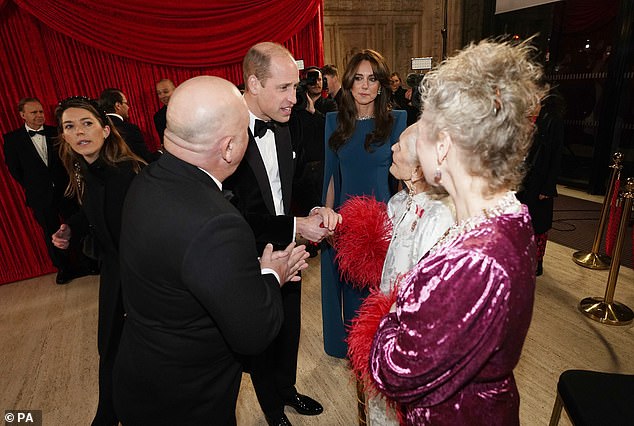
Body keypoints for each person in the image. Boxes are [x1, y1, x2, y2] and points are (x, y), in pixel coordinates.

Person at [367, 39, 546, 425]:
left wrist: (386, 320)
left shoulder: (471, 262)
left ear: (444, 146)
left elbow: (393, 370)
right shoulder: (507, 217)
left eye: (426, 123)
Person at [112, 76, 308, 426]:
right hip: (189, 402)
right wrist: (270, 275)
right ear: (230, 147)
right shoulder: (218, 224)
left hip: (138, 376)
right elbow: (253, 333)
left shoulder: (144, 181)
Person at [224, 42, 340, 426]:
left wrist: (312, 211)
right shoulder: (224, 131)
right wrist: (296, 226)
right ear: (254, 83)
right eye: (285, 88)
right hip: (246, 257)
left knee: (290, 327)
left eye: (297, 87)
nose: (296, 98)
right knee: (261, 339)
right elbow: (232, 215)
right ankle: (273, 413)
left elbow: (292, 184)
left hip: (289, 249)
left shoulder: (287, 122)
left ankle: (286, 390)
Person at [344, 123, 455, 425]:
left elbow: (427, 295)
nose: (392, 148)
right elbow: (378, 251)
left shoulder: (439, 217)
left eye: (401, 146)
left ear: (420, 170)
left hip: (409, 328)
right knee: (379, 404)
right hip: (384, 316)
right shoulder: (398, 201)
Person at [51, 96, 146, 426]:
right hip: (114, 272)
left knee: (132, 352)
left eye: (87, 123)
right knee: (109, 347)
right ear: (63, 136)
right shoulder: (83, 169)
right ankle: (108, 414)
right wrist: (71, 229)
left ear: (106, 130)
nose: (79, 131)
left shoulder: (129, 172)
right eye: (69, 126)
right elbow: (91, 211)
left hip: (142, 278)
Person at [321, 49, 407, 359]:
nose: (365, 86)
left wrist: (403, 223)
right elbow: (331, 175)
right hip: (344, 222)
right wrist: (327, 218)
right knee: (347, 289)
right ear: (349, 82)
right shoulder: (333, 122)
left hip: (383, 223)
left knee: (377, 293)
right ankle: (350, 349)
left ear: (382, 85)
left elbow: (401, 180)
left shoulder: (396, 121)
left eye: (372, 79)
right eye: (358, 78)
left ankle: (375, 350)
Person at [3, 97, 85, 284]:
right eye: (34, 112)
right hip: (40, 196)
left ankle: (86, 262)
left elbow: (68, 159)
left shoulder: (55, 132)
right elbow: (15, 171)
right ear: (22, 115)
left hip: (66, 191)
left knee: (77, 225)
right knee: (51, 233)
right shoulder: (12, 140)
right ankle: (64, 269)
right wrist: (38, 186)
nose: (39, 115)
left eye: (41, 111)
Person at [516, 85, 564, 276]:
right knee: (520, 220)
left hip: (540, 180)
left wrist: (548, 186)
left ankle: (536, 262)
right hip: (521, 178)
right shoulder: (522, 116)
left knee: (539, 223)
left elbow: (556, 155)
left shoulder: (552, 119)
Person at [98, 88, 160, 163]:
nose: (128, 107)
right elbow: (147, 159)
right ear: (118, 105)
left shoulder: (97, 129)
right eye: (126, 103)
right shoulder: (130, 129)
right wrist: (161, 152)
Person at [153, 78, 176, 145]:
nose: (162, 96)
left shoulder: (190, 107)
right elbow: (164, 142)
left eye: (166, 92)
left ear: (175, 90)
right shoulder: (158, 117)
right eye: (159, 93)